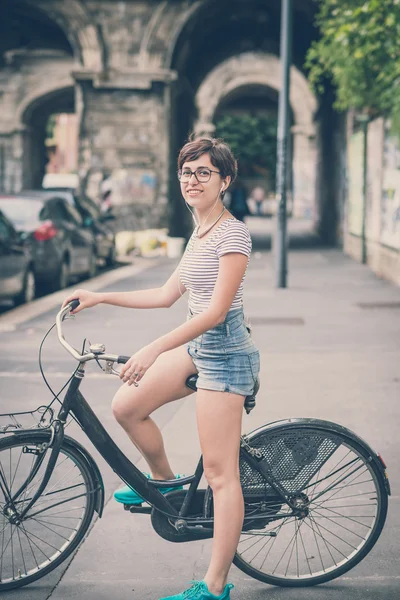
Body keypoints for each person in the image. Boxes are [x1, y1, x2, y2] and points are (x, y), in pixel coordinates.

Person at [62, 137, 260, 600]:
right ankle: (166, 485)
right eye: (187, 173)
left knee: (220, 473)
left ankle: (214, 587)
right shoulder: (201, 230)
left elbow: (213, 312)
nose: (192, 181)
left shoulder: (233, 234)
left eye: (203, 173)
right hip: (197, 347)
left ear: (224, 181)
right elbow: (167, 294)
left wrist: (152, 350)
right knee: (127, 404)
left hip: (226, 356)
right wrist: (99, 295)